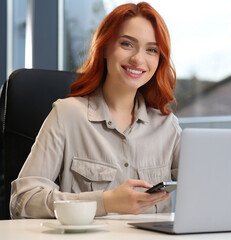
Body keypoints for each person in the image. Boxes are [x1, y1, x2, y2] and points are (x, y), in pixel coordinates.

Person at [10, 2, 181, 219]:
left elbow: (205, 190)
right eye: (127, 44)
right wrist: (104, 202)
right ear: (105, 48)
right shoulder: (67, 115)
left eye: (151, 50)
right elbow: (23, 200)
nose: (138, 58)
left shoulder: (168, 126)